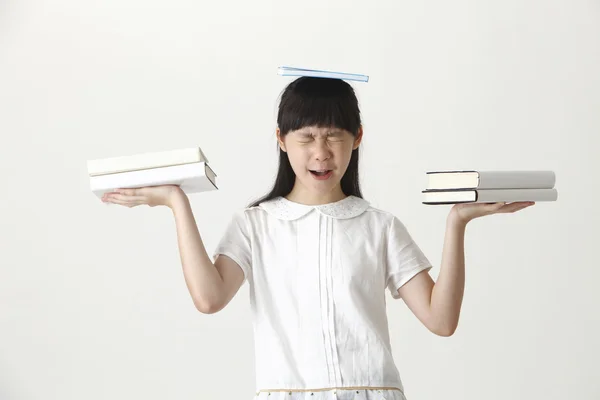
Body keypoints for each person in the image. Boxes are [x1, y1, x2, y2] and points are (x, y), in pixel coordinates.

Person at [102, 77, 534, 400]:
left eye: (334, 136)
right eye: (306, 137)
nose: (321, 152)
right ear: (282, 141)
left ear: (357, 139)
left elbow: (441, 321)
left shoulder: (379, 226)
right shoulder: (255, 225)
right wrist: (178, 203)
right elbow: (209, 298)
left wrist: (457, 221)